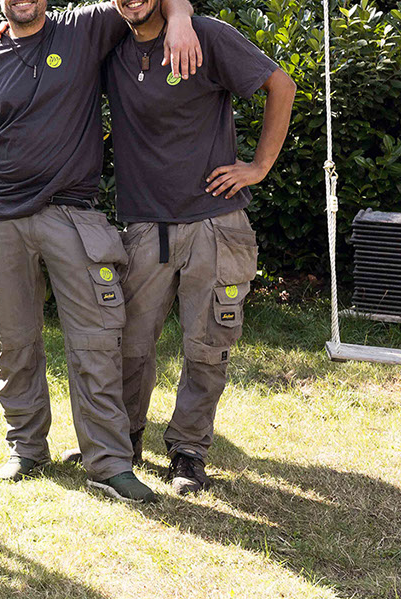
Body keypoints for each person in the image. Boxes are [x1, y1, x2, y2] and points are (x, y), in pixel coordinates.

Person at [0, 0, 200, 503]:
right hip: (1, 220)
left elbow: (144, 0)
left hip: (74, 217)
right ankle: (26, 448)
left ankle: (108, 463)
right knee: (14, 342)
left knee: (98, 342)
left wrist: (184, 18)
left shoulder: (82, 29)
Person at [103, 0, 295, 493]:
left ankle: (188, 451)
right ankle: (122, 440)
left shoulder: (206, 36)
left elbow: (281, 85)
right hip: (145, 226)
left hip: (214, 223)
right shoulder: (109, 45)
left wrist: (258, 167)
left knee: (207, 347)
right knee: (127, 344)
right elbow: (42, 29)